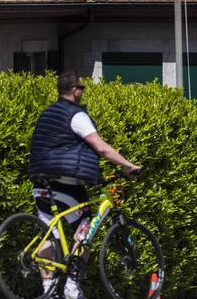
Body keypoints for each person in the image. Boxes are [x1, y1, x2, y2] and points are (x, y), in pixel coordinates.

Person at [28, 71, 141, 299]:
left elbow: (66, 148)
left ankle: (47, 289)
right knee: (85, 227)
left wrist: (96, 174)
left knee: (50, 233)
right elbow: (100, 147)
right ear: (74, 90)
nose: (83, 92)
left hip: (41, 180)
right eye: (82, 88)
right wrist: (129, 166)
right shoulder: (76, 115)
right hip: (66, 183)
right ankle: (72, 285)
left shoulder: (48, 113)